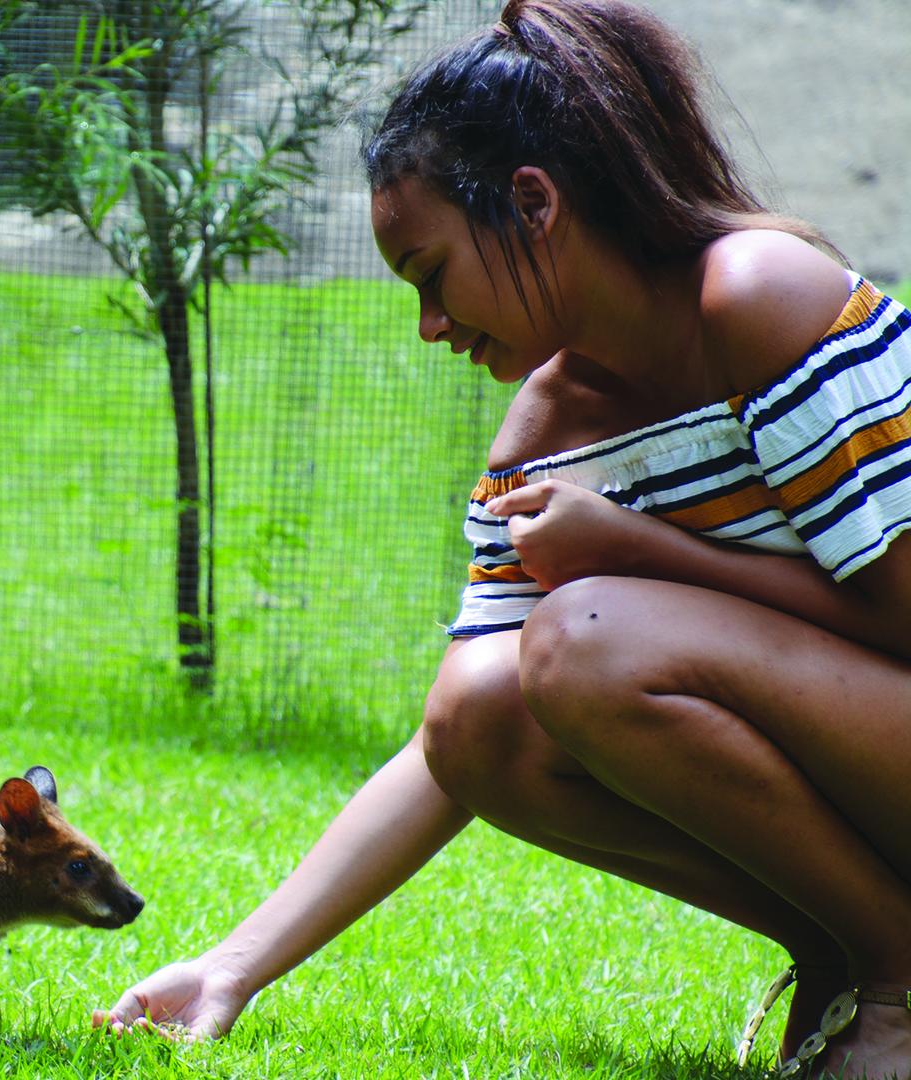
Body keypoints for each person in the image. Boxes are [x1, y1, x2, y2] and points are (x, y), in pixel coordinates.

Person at [90, 1, 911, 1076]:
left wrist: (637, 551)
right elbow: (450, 750)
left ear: (533, 204)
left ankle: (898, 977)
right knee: (481, 709)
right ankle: (841, 947)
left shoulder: (760, 296)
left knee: (587, 636)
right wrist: (235, 964)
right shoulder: (544, 436)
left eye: (431, 275)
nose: (430, 326)